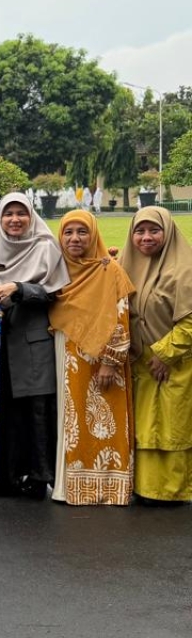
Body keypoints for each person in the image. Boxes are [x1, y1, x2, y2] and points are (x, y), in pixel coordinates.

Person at [0, 192, 70, 499]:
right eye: (8, 214)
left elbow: (54, 293)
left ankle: (39, 476)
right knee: (4, 410)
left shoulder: (45, 247)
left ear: (31, 217)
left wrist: (19, 288)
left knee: (37, 411)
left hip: (33, 343)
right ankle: (5, 473)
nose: (15, 220)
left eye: (21, 213)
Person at [48, 209, 135, 505]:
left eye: (82, 232)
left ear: (93, 235)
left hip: (101, 357)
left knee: (101, 421)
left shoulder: (109, 269)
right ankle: (66, 486)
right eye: (68, 232)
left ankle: (106, 488)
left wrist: (110, 361)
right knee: (68, 420)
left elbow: (121, 316)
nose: (75, 238)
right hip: (66, 350)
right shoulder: (55, 268)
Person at [118, 207, 192, 503]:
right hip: (139, 362)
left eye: (154, 231)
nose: (146, 238)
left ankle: (170, 492)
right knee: (144, 427)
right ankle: (144, 488)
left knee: (170, 427)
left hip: (173, 361)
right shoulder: (124, 264)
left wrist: (165, 354)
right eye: (140, 231)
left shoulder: (184, 268)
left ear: (168, 232)